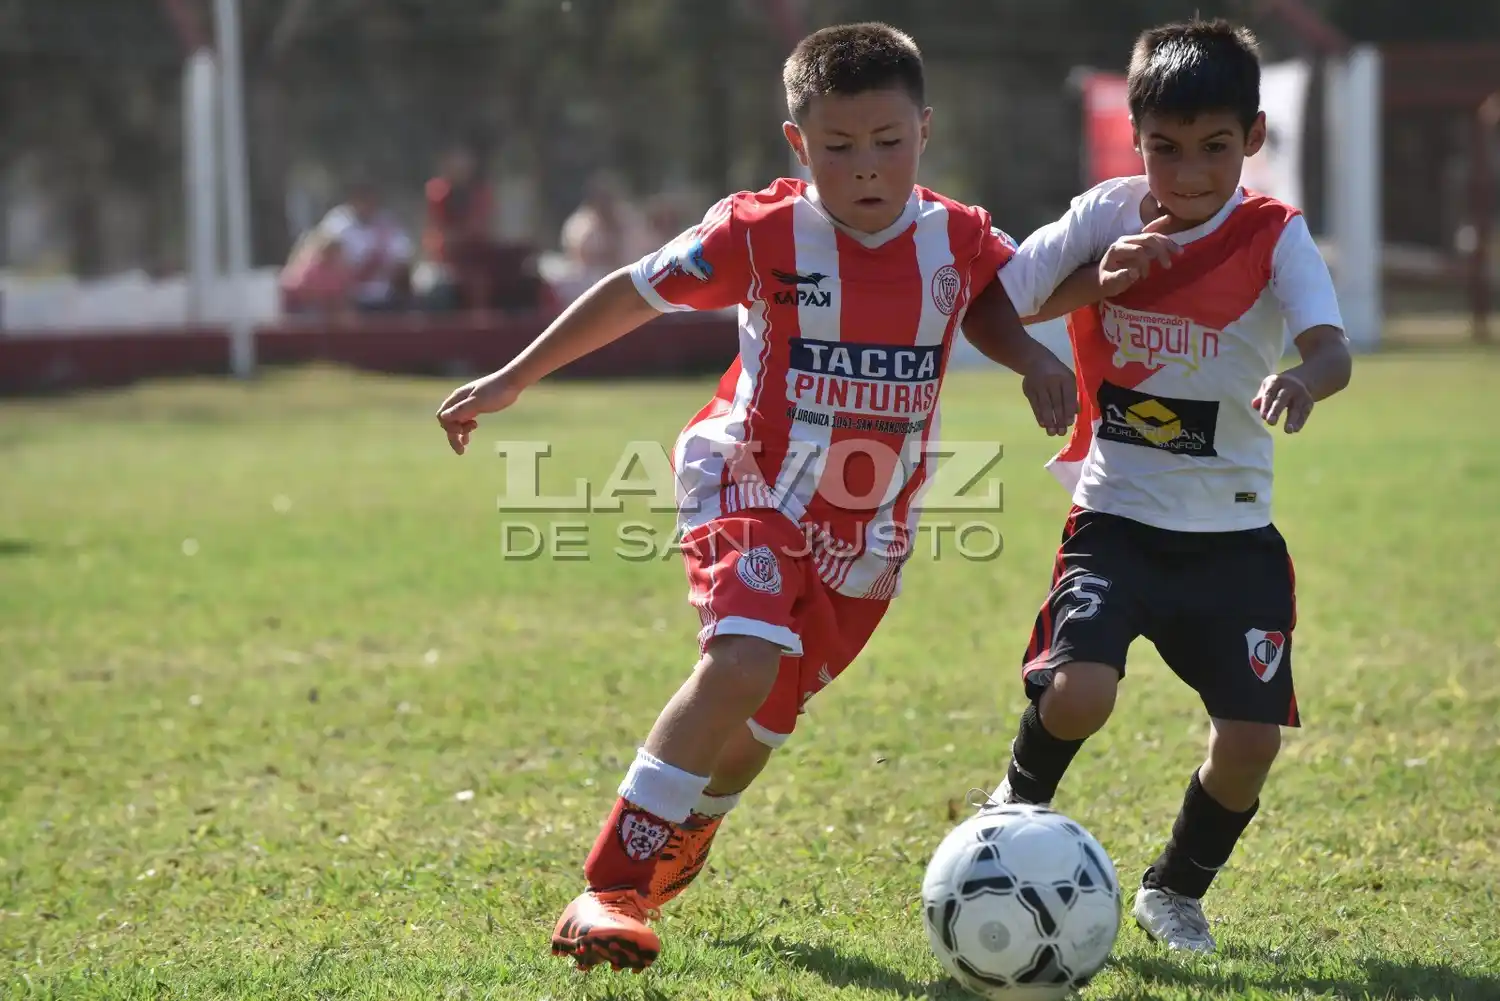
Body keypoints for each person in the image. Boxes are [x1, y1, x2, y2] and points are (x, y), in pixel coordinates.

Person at [435, 22, 1078, 974]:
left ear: (925, 131)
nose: (867, 167)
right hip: (748, 478)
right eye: (839, 146)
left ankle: (689, 828)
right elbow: (631, 290)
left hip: (869, 527)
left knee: (761, 729)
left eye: (888, 142)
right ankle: (608, 887)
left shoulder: (959, 234)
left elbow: (994, 292)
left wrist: (1032, 356)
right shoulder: (759, 232)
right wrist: (512, 378)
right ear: (797, 143)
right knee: (740, 661)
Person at [974, 17, 1353, 954]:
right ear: (1135, 138)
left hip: (1234, 535)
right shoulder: (1105, 214)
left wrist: (1305, 380)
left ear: (1252, 137)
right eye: (1166, 149)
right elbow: (992, 306)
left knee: (1251, 742)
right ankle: (1011, 806)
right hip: (1116, 517)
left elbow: (1332, 348)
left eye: (1215, 147)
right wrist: (1070, 319)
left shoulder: (1274, 235)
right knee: (1079, 691)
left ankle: (1174, 890)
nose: (1188, 174)